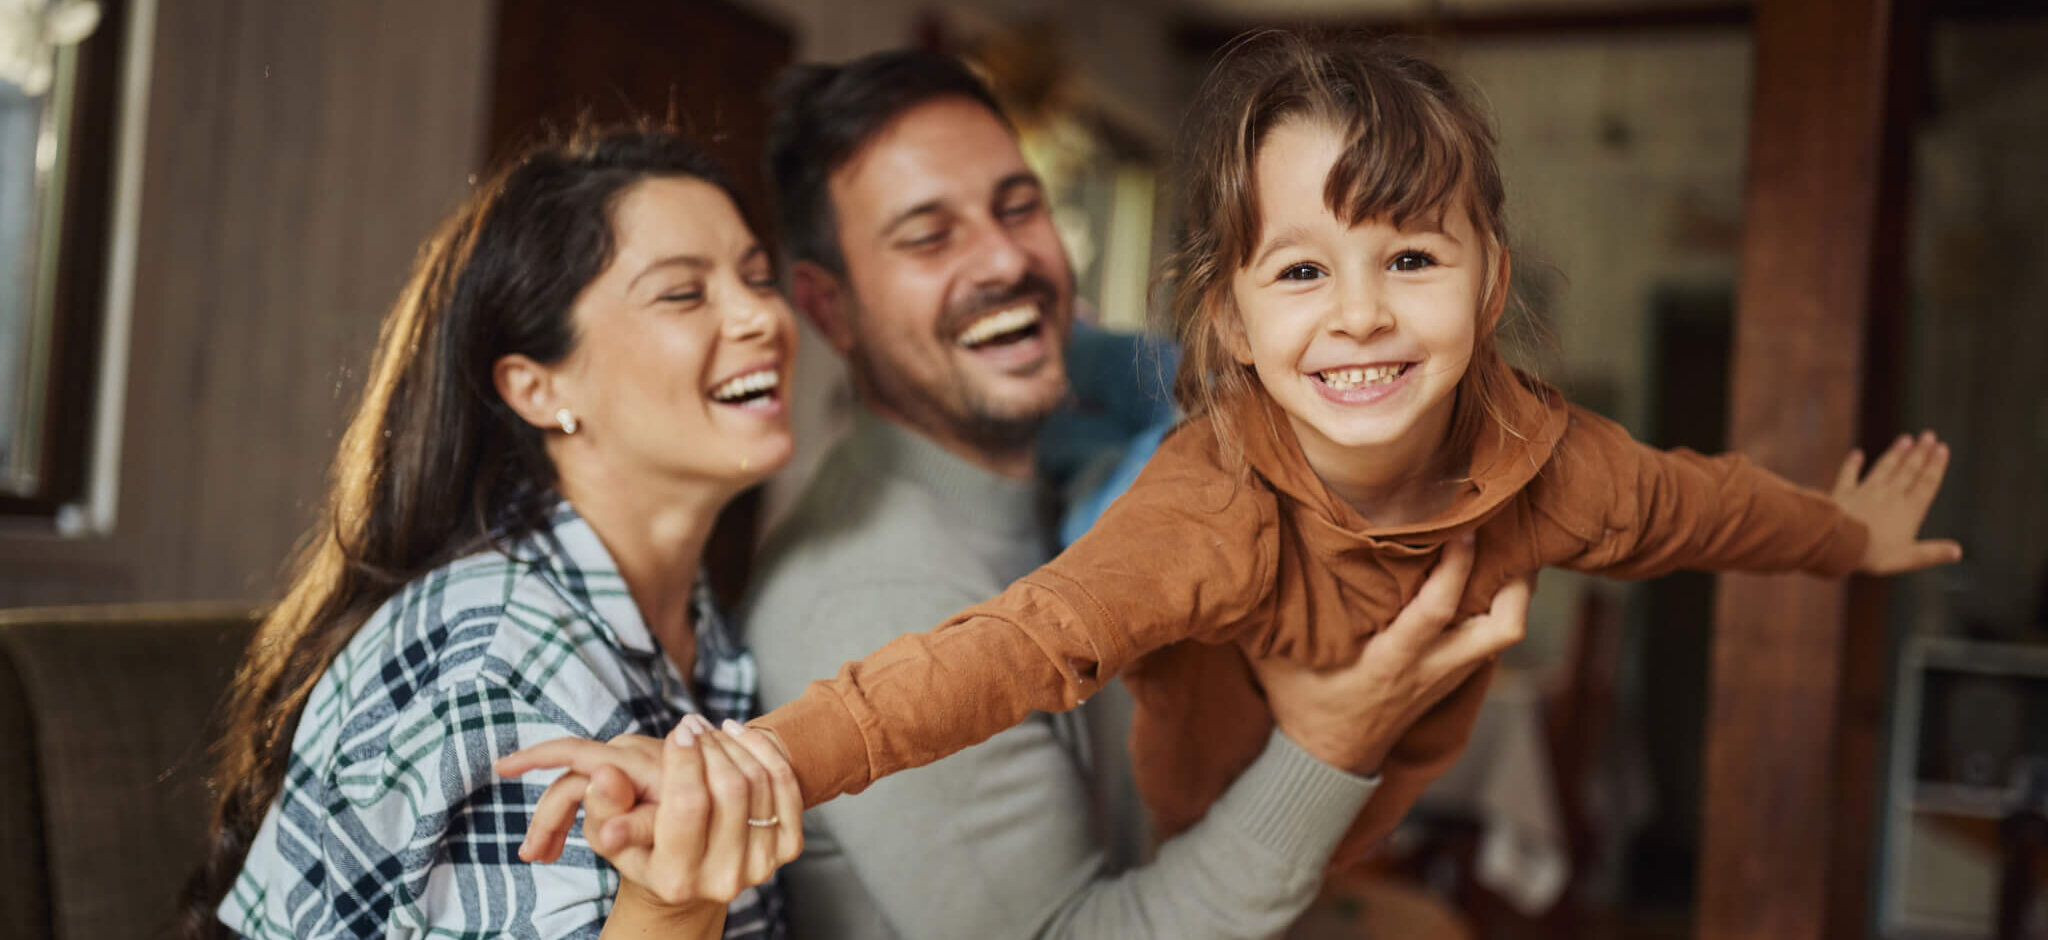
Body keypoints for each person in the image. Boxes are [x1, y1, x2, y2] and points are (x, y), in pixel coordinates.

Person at [723, 30, 1964, 871]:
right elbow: (1007, 650)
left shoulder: (1554, 463)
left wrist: (1847, 533)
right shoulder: (1204, 507)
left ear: (1488, 290)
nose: (1359, 312)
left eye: (1411, 258)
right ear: (1235, 321)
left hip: (1367, 816)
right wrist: (768, 751)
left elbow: (1708, 508)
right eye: (1304, 269)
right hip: (1206, 816)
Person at [508, 48, 1533, 940]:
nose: (1004, 259)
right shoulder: (873, 598)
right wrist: (1330, 746)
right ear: (829, 307)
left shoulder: (1077, 463)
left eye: (1016, 205)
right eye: (926, 236)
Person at [183, 126, 803, 939]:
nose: (762, 313)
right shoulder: (496, 655)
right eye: (683, 293)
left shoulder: (702, 626)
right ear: (538, 388)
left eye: (759, 277)